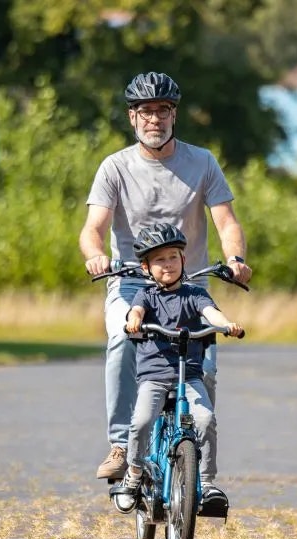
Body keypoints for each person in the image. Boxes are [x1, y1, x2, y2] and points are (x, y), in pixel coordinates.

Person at [80, 71, 252, 480]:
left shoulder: (202, 162)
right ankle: (121, 445)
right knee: (122, 339)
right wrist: (96, 256)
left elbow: (226, 221)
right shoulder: (115, 167)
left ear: (174, 115)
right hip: (132, 282)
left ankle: (199, 466)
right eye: (145, 111)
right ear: (132, 117)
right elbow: (93, 228)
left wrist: (236, 258)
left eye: (162, 110)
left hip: (191, 285)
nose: (154, 119)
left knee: (205, 369)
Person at [123, 224, 242, 504]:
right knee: (141, 421)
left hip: (189, 375)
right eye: (160, 259)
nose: (168, 264)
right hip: (154, 376)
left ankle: (207, 483)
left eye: (173, 257)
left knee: (205, 419)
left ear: (184, 259)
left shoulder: (194, 294)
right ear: (146, 267)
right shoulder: (146, 296)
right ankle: (134, 472)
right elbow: (136, 311)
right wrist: (134, 320)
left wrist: (227, 324)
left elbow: (211, 313)